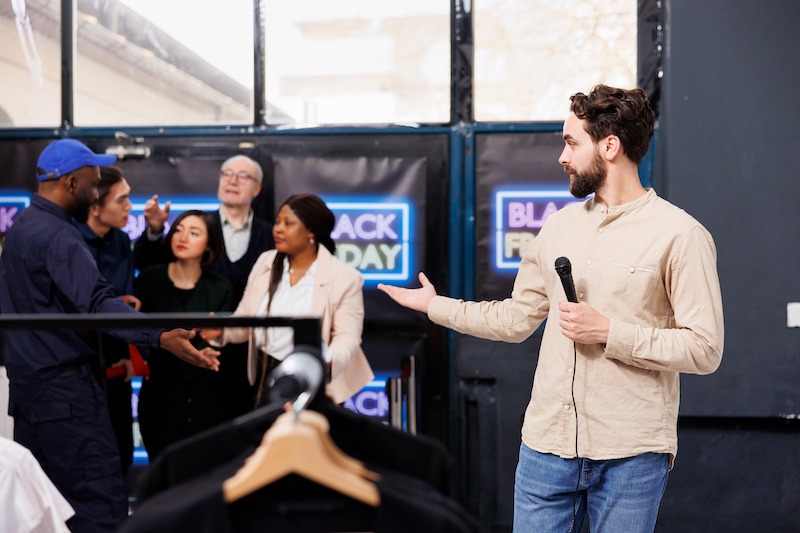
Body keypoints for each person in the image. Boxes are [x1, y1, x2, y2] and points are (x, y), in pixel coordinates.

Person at [378, 85, 724, 532]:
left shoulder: (681, 235)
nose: (562, 156)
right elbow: (515, 319)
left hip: (631, 454)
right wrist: (435, 306)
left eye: (571, 142)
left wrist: (609, 332)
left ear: (610, 146)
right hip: (545, 448)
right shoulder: (558, 228)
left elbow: (704, 348)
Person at [0, 139, 221, 533]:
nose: (97, 185)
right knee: (99, 509)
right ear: (70, 184)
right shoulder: (59, 236)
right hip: (67, 398)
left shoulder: (21, 228)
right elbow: (97, 304)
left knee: (46, 515)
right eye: (93, 178)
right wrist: (162, 335)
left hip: (30, 396)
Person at [134, 155, 274, 416]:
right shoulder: (199, 227)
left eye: (242, 176)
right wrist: (154, 231)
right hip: (190, 359)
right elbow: (152, 268)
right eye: (226, 173)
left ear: (257, 188)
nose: (232, 180)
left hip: (249, 361)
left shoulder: (272, 235)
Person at [201, 193, 374, 405]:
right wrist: (222, 330)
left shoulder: (344, 277)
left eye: (288, 223)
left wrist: (322, 362)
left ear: (311, 231)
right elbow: (246, 319)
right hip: (265, 378)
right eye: (277, 222)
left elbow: (348, 337)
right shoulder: (266, 261)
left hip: (312, 378)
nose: (278, 229)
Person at [134, 210, 235, 460]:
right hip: (160, 397)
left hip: (208, 399)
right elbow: (137, 334)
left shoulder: (220, 287)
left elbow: (226, 342)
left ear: (209, 245)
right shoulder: (148, 280)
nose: (183, 237)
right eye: (178, 229)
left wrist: (216, 344)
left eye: (194, 232)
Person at [77, 165, 138, 476]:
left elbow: (124, 299)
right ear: (96, 206)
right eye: (122, 200)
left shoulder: (121, 242)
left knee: (120, 456)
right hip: (77, 371)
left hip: (116, 368)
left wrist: (127, 355)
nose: (130, 206)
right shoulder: (69, 242)